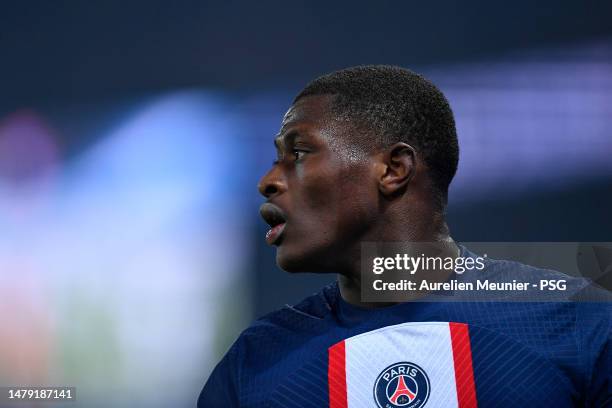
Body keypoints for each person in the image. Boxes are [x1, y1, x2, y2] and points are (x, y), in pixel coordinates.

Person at [198, 66, 610, 407]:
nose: (268, 181)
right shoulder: (254, 364)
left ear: (394, 169)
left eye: (299, 153)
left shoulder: (578, 324)